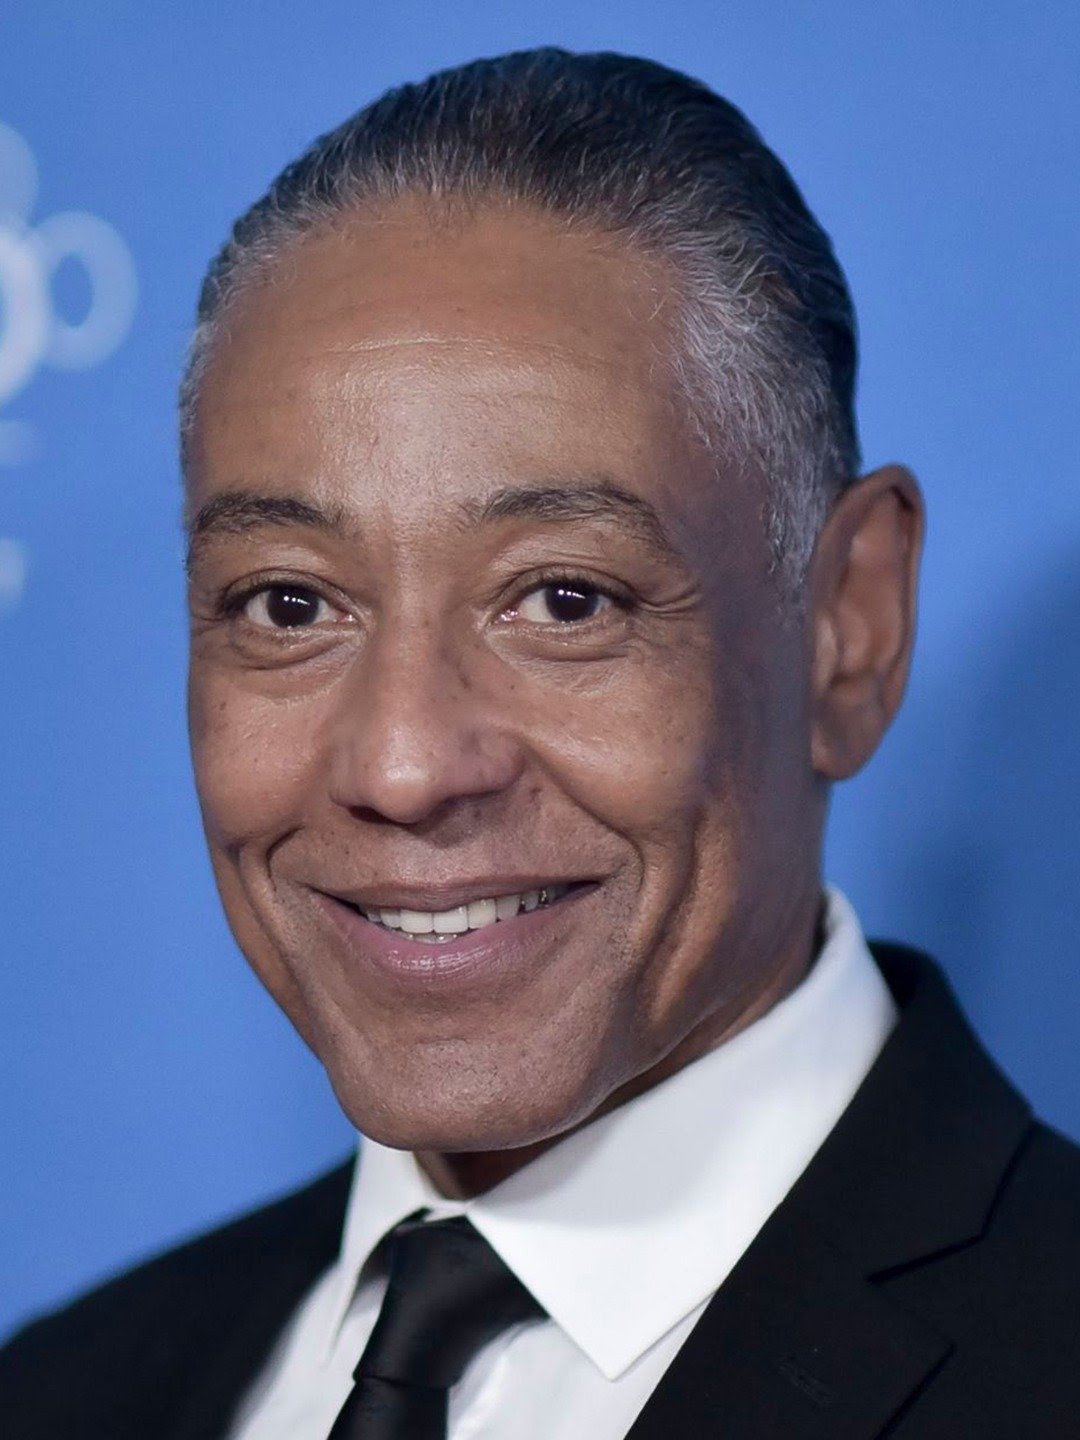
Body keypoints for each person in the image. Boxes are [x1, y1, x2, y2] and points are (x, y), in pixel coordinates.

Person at [2, 47, 1077, 1440]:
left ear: (846, 628)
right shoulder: (62, 1392)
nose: (401, 768)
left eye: (566, 601)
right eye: (289, 605)